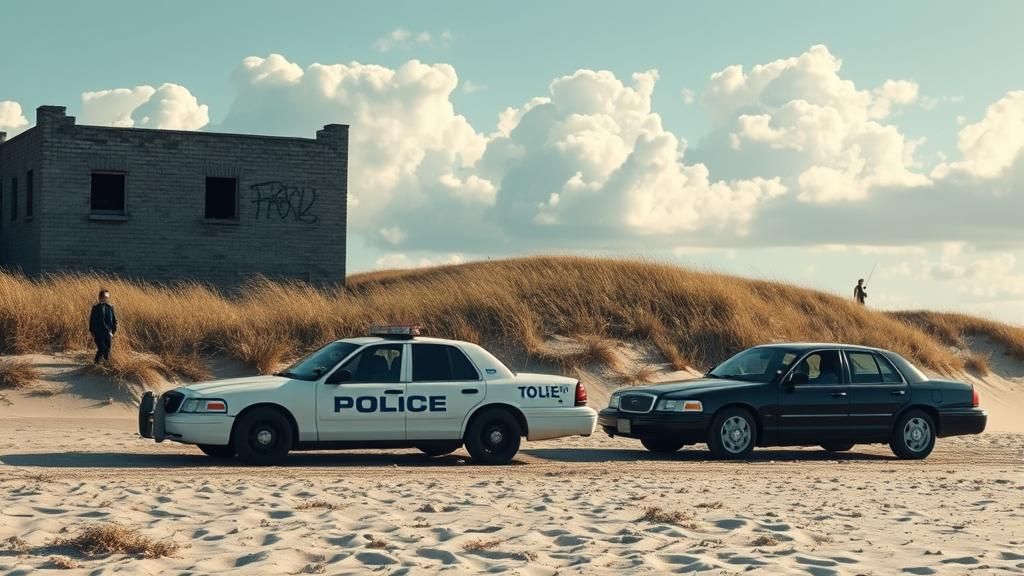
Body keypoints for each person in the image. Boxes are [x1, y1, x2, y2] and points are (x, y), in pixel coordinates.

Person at [89, 289, 118, 364]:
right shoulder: (95, 308)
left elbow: (114, 319)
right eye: (105, 297)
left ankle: (106, 364)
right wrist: (92, 332)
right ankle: (96, 364)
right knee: (101, 349)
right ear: (100, 298)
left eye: (108, 297)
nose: (107, 298)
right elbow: (91, 320)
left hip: (108, 333)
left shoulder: (110, 307)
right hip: (98, 332)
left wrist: (113, 331)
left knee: (108, 349)